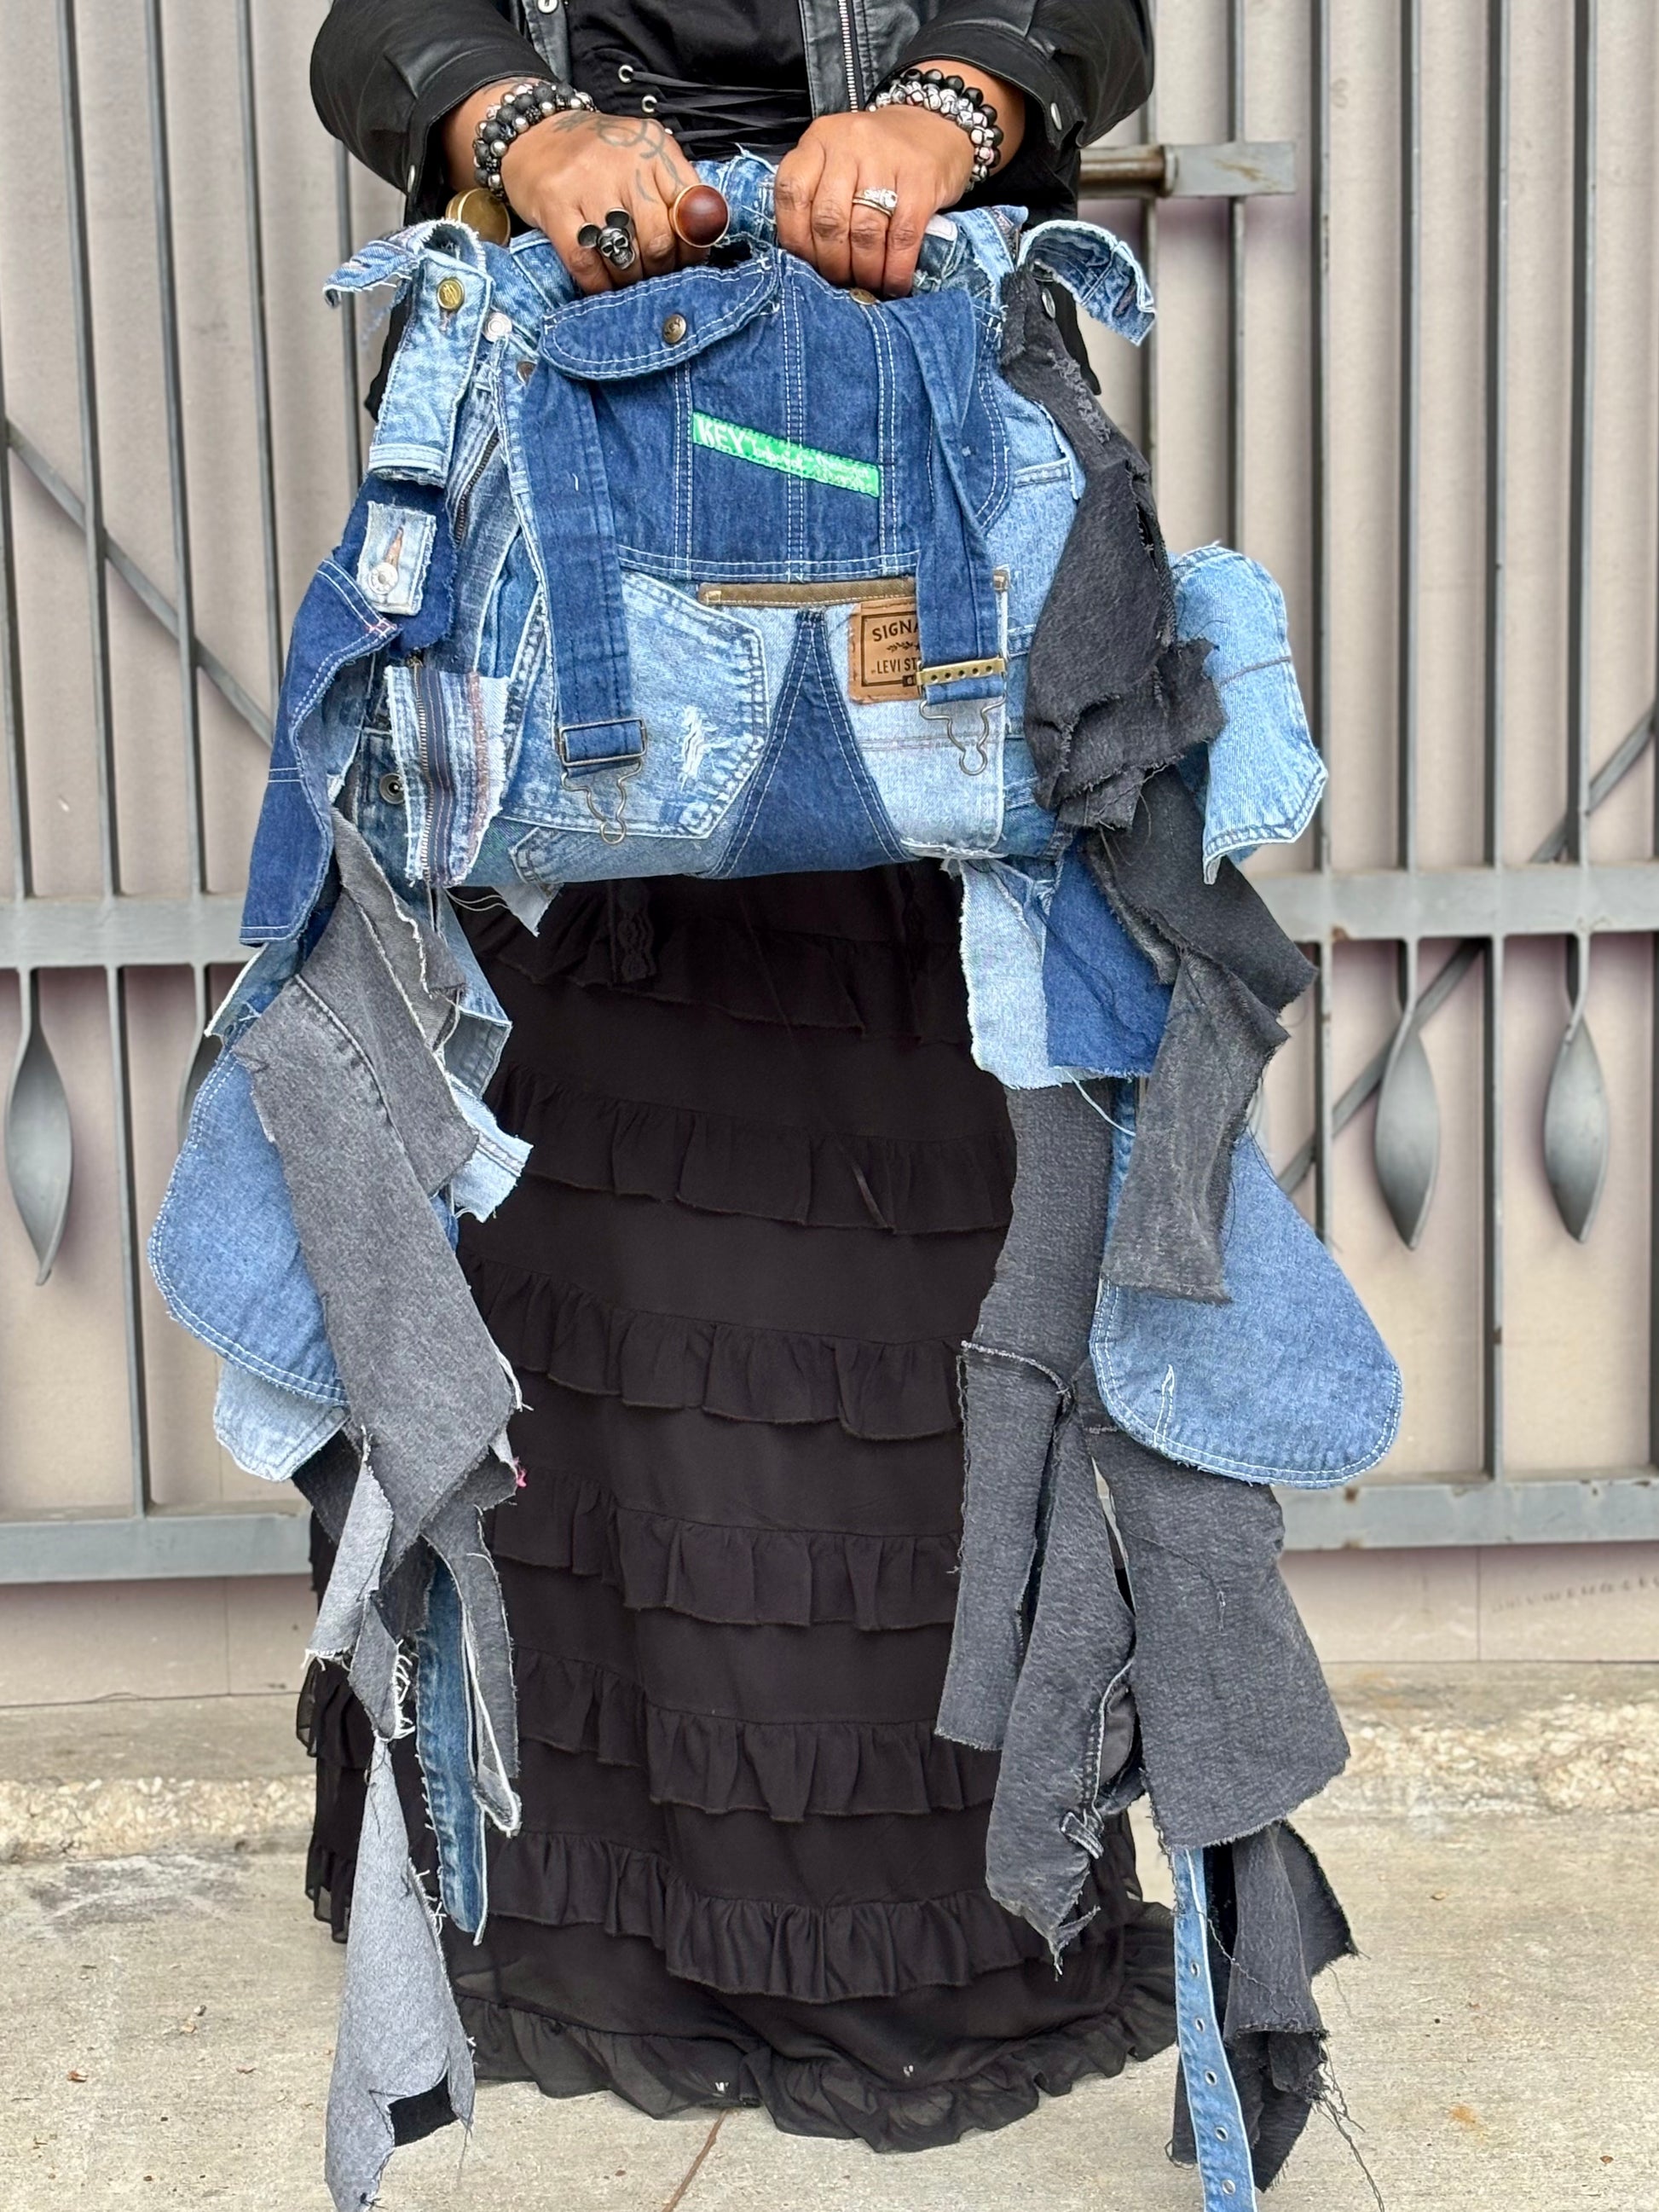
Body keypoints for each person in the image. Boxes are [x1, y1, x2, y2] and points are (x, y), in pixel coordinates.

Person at [301, 0, 1176, 2151]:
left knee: (917, 1247)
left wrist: (945, 115)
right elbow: (374, 26)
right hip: (566, 532)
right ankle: (544, 1926)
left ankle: (934, 1925)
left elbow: (1084, 14)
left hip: (906, 510)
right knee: (542, 1209)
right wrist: (525, 126)